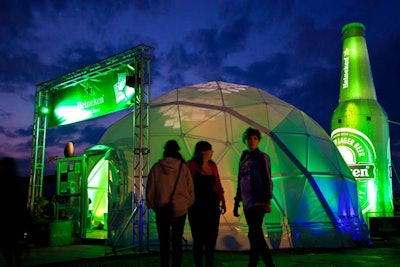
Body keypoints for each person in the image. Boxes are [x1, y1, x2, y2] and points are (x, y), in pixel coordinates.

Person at [146, 140, 195, 267]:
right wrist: (185, 204)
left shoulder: (156, 168)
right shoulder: (183, 168)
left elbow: (150, 188)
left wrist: (153, 205)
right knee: (177, 241)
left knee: (164, 242)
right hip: (180, 210)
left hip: (162, 210)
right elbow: (190, 189)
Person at [233, 127, 274, 267]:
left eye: (255, 138)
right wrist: (237, 201)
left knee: (255, 232)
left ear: (258, 140)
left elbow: (267, 179)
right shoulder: (243, 158)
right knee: (254, 234)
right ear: (245, 140)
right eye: (249, 139)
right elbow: (240, 180)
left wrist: (267, 200)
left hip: (258, 201)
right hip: (247, 202)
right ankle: (258, 263)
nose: (252, 141)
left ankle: (261, 263)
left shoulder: (262, 157)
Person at [187, 141, 226, 267]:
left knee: (211, 239)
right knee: (198, 239)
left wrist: (223, 200)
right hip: (196, 208)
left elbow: (218, 185)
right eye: (210, 150)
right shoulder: (191, 166)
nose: (212, 152)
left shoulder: (213, 166)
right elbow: (186, 184)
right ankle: (199, 264)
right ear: (203, 151)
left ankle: (209, 264)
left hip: (212, 207)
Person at [0, 157, 25, 267]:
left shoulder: (6, 183)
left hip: (8, 222)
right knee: (14, 249)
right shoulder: (16, 184)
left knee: (9, 250)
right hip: (14, 222)